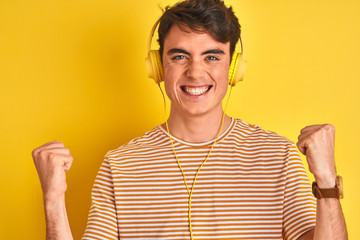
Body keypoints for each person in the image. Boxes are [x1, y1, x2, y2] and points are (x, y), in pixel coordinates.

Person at [32, 0, 348, 239]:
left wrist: (326, 182)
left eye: (212, 56)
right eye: (180, 55)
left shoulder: (278, 156)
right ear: (157, 67)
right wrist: (53, 199)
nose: (195, 72)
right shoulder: (119, 164)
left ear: (234, 68)